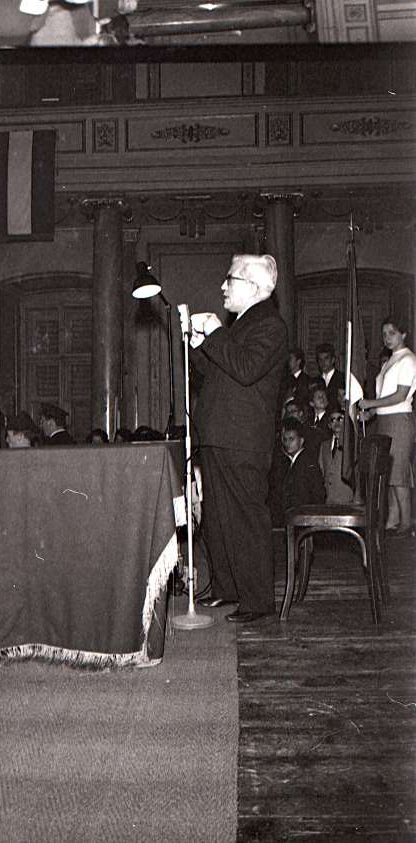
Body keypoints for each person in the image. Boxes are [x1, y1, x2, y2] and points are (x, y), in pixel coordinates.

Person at [190, 253, 287, 623]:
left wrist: (215, 332)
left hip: (243, 438)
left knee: (245, 518)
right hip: (221, 434)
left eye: (229, 279)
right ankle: (227, 588)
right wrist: (198, 344)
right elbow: (218, 373)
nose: (222, 286)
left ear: (253, 287)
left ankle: (257, 601)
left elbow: (245, 369)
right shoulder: (243, 324)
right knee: (218, 517)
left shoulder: (270, 326)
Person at [358, 317, 416, 537]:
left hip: (399, 420)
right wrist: (371, 413)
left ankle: (406, 522)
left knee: (399, 472)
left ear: (403, 334)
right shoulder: (389, 361)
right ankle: (393, 520)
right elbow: (385, 396)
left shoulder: (408, 359)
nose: (387, 338)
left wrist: (371, 403)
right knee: (389, 472)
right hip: (384, 420)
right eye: (384, 334)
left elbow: (400, 396)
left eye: (392, 333)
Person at [281, 419, 325, 513]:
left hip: (304, 515)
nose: (287, 443)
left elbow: (316, 494)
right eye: (285, 440)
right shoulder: (289, 462)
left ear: (301, 441)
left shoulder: (307, 463)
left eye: (291, 439)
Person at [318, 407, 354, 504]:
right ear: (329, 425)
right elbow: (322, 470)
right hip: (329, 500)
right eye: (333, 420)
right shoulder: (324, 445)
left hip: (347, 500)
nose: (336, 422)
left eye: (340, 419)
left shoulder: (352, 444)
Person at [313, 342, 345, 408]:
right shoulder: (315, 381)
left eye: (326, 358)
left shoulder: (343, 378)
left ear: (333, 360)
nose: (323, 362)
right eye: (320, 359)